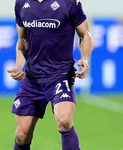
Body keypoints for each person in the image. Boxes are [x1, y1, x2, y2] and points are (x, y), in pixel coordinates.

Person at [7, 0, 93, 149]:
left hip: (61, 74)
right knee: (21, 134)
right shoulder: (21, 3)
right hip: (33, 78)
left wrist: (85, 57)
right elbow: (23, 40)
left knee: (64, 119)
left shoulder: (68, 2)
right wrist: (19, 65)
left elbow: (85, 35)